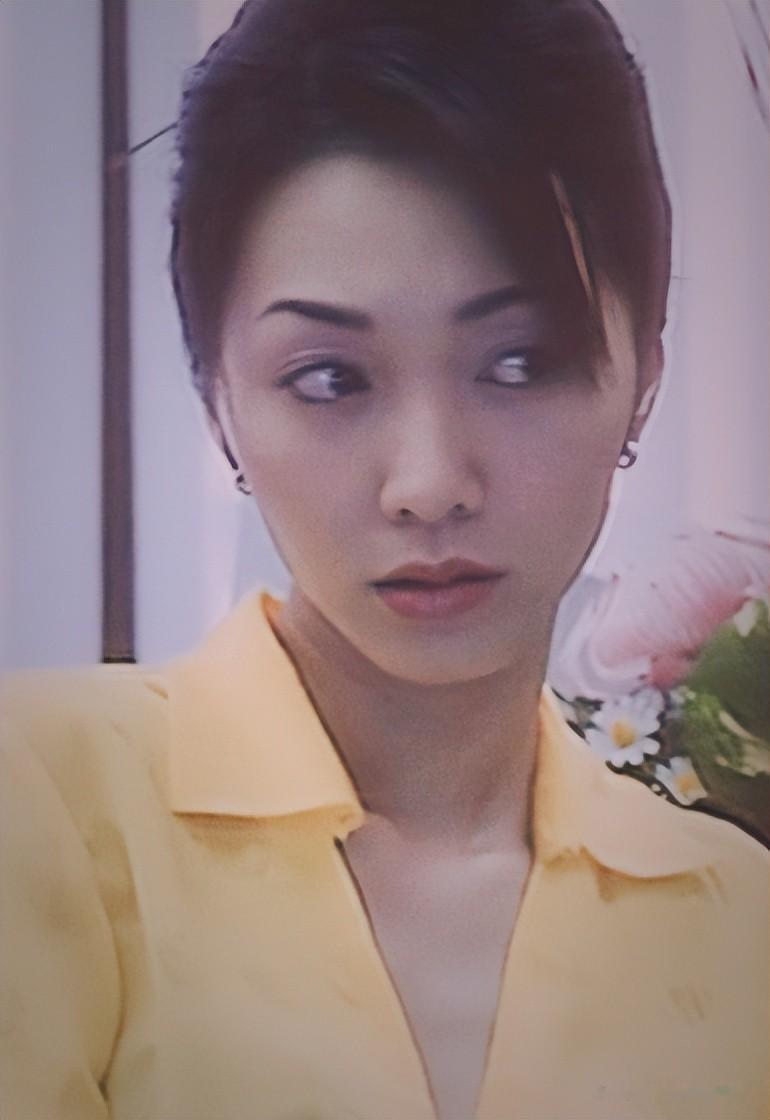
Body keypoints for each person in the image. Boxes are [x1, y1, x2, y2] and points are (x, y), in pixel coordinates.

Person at [1, 1, 767, 1118]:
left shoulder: (739, 923)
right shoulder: (41, 799)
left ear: (642, 375)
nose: (428, 482)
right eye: (329, 378)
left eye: (518, 362)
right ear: (219, 403)